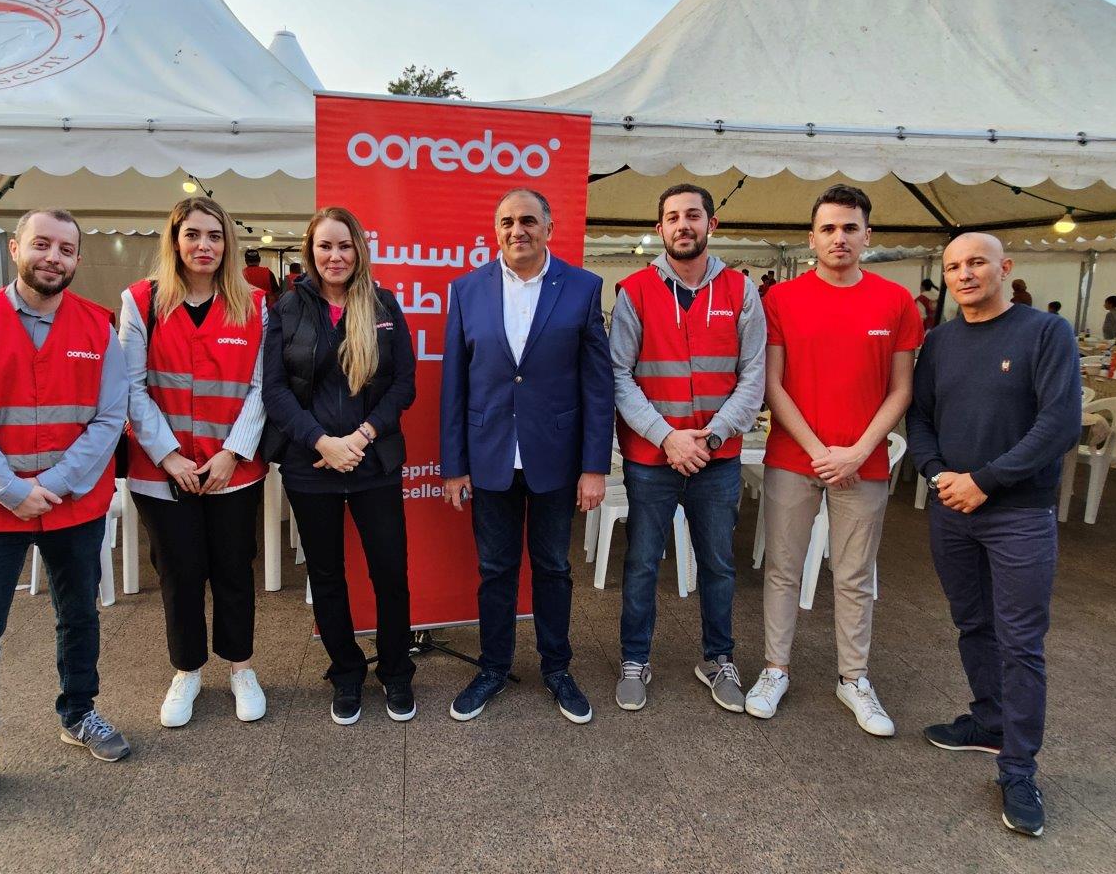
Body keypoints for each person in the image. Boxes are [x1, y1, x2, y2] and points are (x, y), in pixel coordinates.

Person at [0, 210, 130, 835]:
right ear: (15, 249)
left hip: (70, 503)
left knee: (79, 613)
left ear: (78, 259)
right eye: (42, 244)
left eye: (65, 248)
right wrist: (11, 491)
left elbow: (108, 417)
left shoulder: (98, 327)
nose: (53, 257)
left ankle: (78, 713)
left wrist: (53, 485)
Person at [907, 232, 1080, 838]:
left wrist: (985, 481)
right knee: (973, 622)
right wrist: (935, 473)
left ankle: (1019, 769)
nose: (964, 274)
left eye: (976, 262)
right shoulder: (939, 342)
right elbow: (920, 416)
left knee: (1020, 641)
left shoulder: (1045, 333)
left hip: (1018, 513)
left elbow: (1060, 423)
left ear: (1004, 268)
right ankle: (989, 720)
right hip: (952, 508)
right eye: (954, 266)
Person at [746, 184, 922, 737]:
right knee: (783, 568)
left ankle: (854, 679)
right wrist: (819, 451)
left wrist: (860, 450)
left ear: (868, 235)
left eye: (850, 227)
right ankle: (775, 669)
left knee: (854, 575)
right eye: (828, 228)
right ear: (812, 238)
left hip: (863, 463)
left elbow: (901, 389)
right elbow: (772, 384)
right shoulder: (781, 300)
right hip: (794, 457)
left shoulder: (896, 301)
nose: (839, 237)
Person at [440, 188, 613, 724]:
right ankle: (493, 668)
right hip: (489, 455)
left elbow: (597, 385)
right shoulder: (466, 290)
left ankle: (557, 668)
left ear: (548, 228)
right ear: (496, 230)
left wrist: (594, 467)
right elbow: (454, 385)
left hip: (556, 459)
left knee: (553, 568)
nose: (518, 230)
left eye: (529, 221)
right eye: (508, 222)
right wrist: (454, 466)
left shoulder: (582, 287)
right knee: (495, 569)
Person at [609, 183, 766, 712]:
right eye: (673, 217)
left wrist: (713, 435)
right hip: (652, 458)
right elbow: (619, 375)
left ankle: (718, 659)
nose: (683, 225)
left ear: (711, 224)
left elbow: (754, 375)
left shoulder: (741, 292)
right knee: (641, 564)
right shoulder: (634, 291)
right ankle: (635, 659)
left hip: (716, 458)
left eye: (693, 215)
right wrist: (668, 437)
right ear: (660, 229)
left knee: (719, 565)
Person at [262, 206, 417, 725]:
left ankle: (396, 671)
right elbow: (275, 390)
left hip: (374, 462)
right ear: (311, 251)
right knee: (326, 575)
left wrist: (363, 435)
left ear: (359, 250)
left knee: (390, 572)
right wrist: (321, 442)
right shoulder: (287, 308)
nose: (335, 256)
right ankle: (346, 672)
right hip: (311, 466)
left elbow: (403, 384)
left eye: (344, 245)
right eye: (325, 246)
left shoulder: (384, 304)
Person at [120, 196, 269, 729]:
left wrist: (234, 452)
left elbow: (261, 386)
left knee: (234, 568)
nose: (204, 245)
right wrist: (169, 456)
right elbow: (131, 386)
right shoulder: (140, 301)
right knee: (179, 572)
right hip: (162, 472)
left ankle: (241, 666)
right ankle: (187, 670)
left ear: (228, 243)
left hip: (233, 470)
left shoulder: (254, 304)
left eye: (214, 235)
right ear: (175, 240)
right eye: (193, 235)